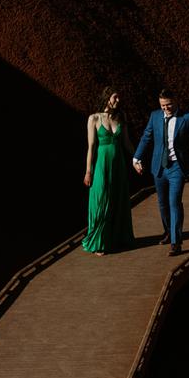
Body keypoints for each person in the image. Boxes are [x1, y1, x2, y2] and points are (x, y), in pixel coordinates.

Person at [133, 89, 189, 257]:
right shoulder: (155, 116)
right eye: (162, 105)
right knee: (162, 203)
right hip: (159, 167)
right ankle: (168, 231)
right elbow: (146, 137)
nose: (165, 108)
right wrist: (136, 157)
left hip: (177, 168)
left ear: (176, 101)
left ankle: (176, 242)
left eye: (168, 105)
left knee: (174, 202)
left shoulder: (187, 118)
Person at [82, 86, 136, 255]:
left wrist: (136, 158)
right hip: (101, 165)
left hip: (118, 165)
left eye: (118, 98)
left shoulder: (121, 117)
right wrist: (88, 171)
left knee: (117, 199)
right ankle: (99, 242)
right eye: (115, 97)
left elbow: (126, 142)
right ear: (107, 98)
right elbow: (91, 147)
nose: (118, 100)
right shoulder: (94, 118)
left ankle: (118, 239)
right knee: (101, 200)